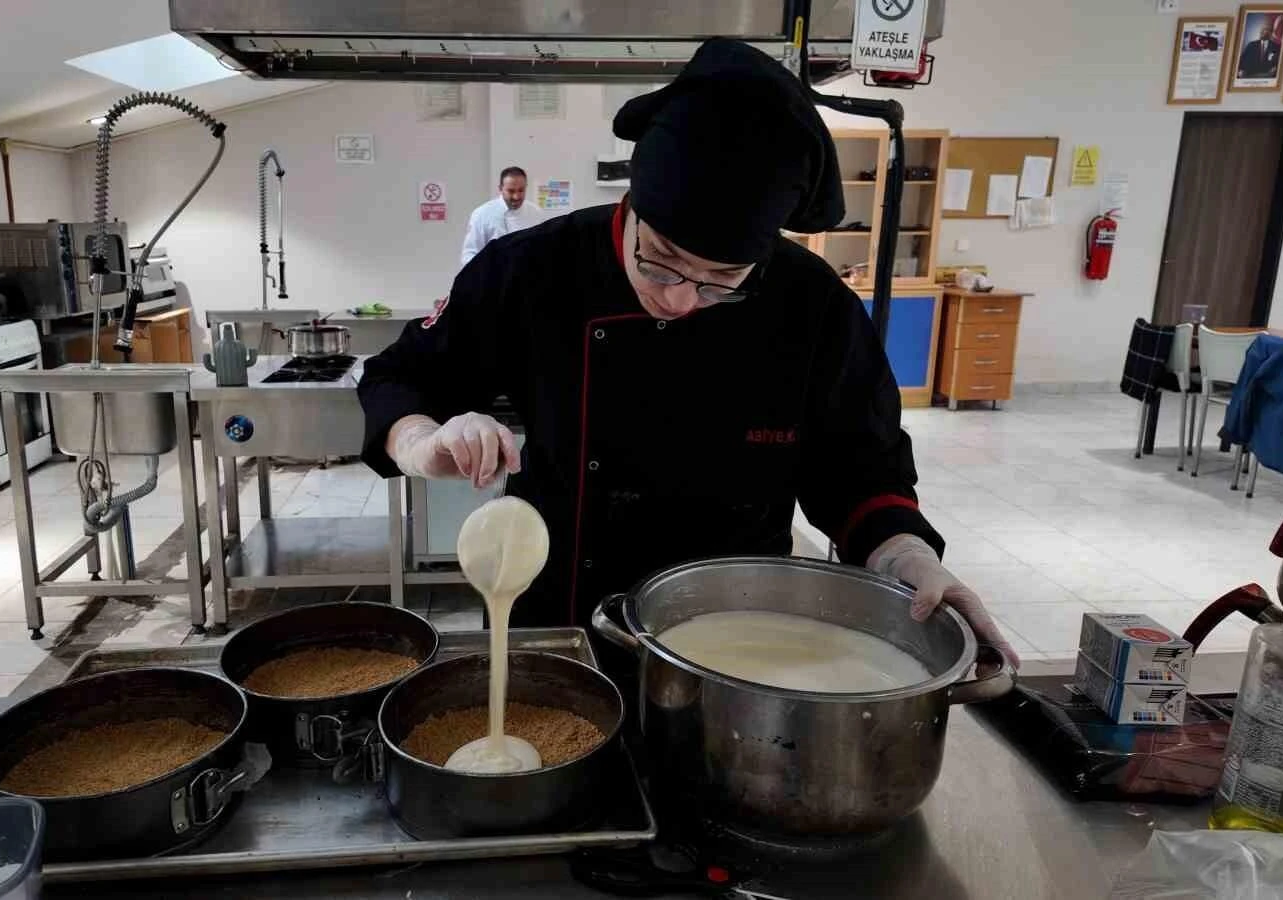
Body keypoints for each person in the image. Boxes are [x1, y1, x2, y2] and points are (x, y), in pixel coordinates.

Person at [359, 39, 1017, 667]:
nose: (678, 299)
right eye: (661, 262)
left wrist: (910, 560)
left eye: (720, 282)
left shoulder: (811, 303)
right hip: (559, 620)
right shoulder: (532, 269)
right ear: (632, 205)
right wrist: (422, 441)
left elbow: (859, 470)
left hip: (737, 634)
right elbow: (400, 377)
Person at [459, 167, 545, 266]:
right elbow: (469, 254)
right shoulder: (482, 214)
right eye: (511, 191)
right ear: (500, 189)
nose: (516, 196)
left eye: (521, 190)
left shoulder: (536, 213)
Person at [1238, 16, 1283, 80]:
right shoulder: (1251, 45)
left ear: (1271, 32)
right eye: (1262, 30)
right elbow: (1242, 59)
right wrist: (1241, 70)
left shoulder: (1276, 47)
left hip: (1268, 76)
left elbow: (1280, 62)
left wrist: (1276, 68)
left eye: (1266, 29)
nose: (1263, 32)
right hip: (1250, 74)